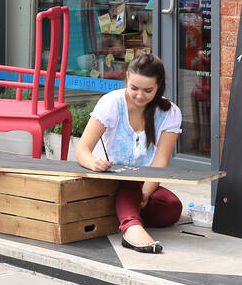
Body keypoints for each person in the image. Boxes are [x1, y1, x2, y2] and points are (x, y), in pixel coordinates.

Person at [76, 52, 182, 253]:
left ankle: (121, 211)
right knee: (130, 180)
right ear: (127, 80)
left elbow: (160, 160)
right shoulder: (112, 104)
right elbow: (82, 150)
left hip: (141, 181)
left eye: (148, 90)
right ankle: (131, 228)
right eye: (134, 88)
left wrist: (146, 192)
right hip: (106, 178)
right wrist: (93, 162)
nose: (140, 96)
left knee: (172, 207)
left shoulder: (170, 112)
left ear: (159, 87)